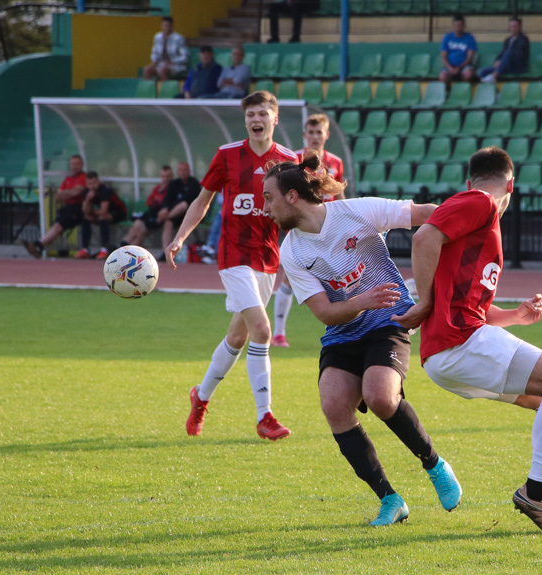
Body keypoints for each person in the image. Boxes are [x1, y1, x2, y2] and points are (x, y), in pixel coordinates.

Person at [391, 146, 542, 534]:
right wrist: (423, 302)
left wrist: (513, 317)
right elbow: (423, 238)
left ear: (469, 180)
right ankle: (537, 493)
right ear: (511, 183)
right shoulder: (482, 203)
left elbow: (465, 301)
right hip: (459, 343)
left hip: (449, 354)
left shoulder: (476, 222)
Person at [261, 152, 462, 526]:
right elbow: (324, 312)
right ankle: (390, 500)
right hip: (342, 332)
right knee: (335, 406)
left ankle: (434, 466)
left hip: (389, 320)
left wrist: (469, 228)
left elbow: (431, 214)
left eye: (269, 197)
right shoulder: (291, 250)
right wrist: (359, 301)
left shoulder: (357, 212)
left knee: (381, 396)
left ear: (292, 196)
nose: (265, 207)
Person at [165, 91, 298, 441]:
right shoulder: (227, 155)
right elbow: (202, 200)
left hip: (268, 259)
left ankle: (201, 396)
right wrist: (181, 237)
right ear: (246, 121)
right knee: (262, 330)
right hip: (234, 257)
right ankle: (264, 416)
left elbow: (300, 210)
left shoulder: (287, 161)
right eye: (251, 114)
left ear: (275, 119)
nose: (257, 119)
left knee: (238, 336)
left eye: (263, 113)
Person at [272, 113, 345, 348]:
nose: (315, 137)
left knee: (339, 277)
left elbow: (339, 193)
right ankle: (279, 333)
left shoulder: (335, 162)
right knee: (289, 278)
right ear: (305, 135)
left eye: (319, 132)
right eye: (311, 132)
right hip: (304, 227)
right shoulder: (294, 159)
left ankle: (341, 328)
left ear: (326, 135)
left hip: (331, 228)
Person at [23, 155, 86, 258]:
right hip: (67, 208)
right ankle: (40, 246)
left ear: (82, 164)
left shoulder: (83, 177)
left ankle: (39, 244)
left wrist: (67, 193)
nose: (75, 166)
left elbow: (78, 191)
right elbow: (58, 197)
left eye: (77, 164)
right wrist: (70, 193)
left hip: (79, 209)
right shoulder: (68, 179)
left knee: (59, 225)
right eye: (73, 164)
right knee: (57, 225)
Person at [77, 172, 127, 260]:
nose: (92, 186)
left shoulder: (105, 190)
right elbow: (85, 212)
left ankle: (104, 249)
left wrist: (91, 212)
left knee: (103, 218)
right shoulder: (86, 192)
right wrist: (88, 200)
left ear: (98, 181)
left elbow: (104, 211)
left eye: (94, 183)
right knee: (86, 218)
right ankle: (85, 249)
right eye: (89, 184)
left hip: (118, 212)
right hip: (99, 212)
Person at [477, 17, 530, 84]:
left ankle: (494, 76)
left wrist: (503, 60)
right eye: (511, 26)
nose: (512, 28)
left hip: (517, 67)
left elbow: (518, 54)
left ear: (520, 27)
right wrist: (497, 60)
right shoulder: (507, 40)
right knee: (481, 71)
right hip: (504, 67)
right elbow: (501, 53)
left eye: (515, 26)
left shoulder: (524, 39)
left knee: (508, 52)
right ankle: (495, 89)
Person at [143, 16, 188, 81]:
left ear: (172, 26)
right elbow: (154, 53)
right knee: (147, 69)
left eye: (168, 25)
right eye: (164, 25)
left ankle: (165, 90)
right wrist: (155, 61)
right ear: (161, 26)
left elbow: (185, 57)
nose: (166, 28)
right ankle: (148, 90)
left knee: (163, 70)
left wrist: (172, 61)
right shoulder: (157, 37)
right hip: (160, 64)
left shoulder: (179, 38)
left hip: (176, 66)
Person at [439, 14, 478, 84]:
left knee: (469, 74)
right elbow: (443, 57)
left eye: (460, 25)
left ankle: (463, 90)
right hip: (450, 65)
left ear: (464, 26)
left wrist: (459, 68)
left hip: (466, 66)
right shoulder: (447, 37)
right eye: (456, 26)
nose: (457, 28)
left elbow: (470, 58)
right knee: (442, 77)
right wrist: (450, 68)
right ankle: (448, 92)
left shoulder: (470, 38)